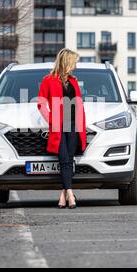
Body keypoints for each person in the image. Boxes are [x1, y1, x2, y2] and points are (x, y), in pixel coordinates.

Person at [37, 48, 87, 209]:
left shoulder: (73, 81)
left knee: (69, 160)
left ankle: (62, 195)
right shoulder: (48, 80)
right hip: (59, 126)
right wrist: (51, 119)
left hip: (73, 125)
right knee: (64, 159)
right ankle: (71, 195)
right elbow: (41, 104)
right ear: (67, 62)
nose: (76, 66)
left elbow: (78, 104)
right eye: (74, 62)